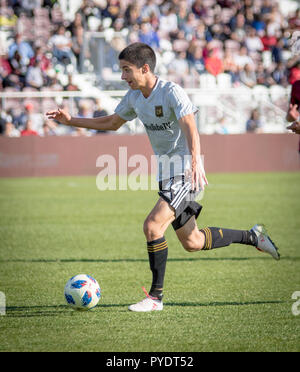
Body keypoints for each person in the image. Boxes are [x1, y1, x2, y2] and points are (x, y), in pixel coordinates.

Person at [46, 42, 280, 312]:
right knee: (193, 242)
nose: (123, 77)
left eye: (126, 70)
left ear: (145, 68)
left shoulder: (171, 92)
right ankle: (253, 237)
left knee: (152, 226)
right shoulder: (135, 97)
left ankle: (155, 298)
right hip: (166, 174)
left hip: (183, 171)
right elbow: (111, 122)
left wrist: (195, 161)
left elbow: (190, 123)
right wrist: (71, 120)